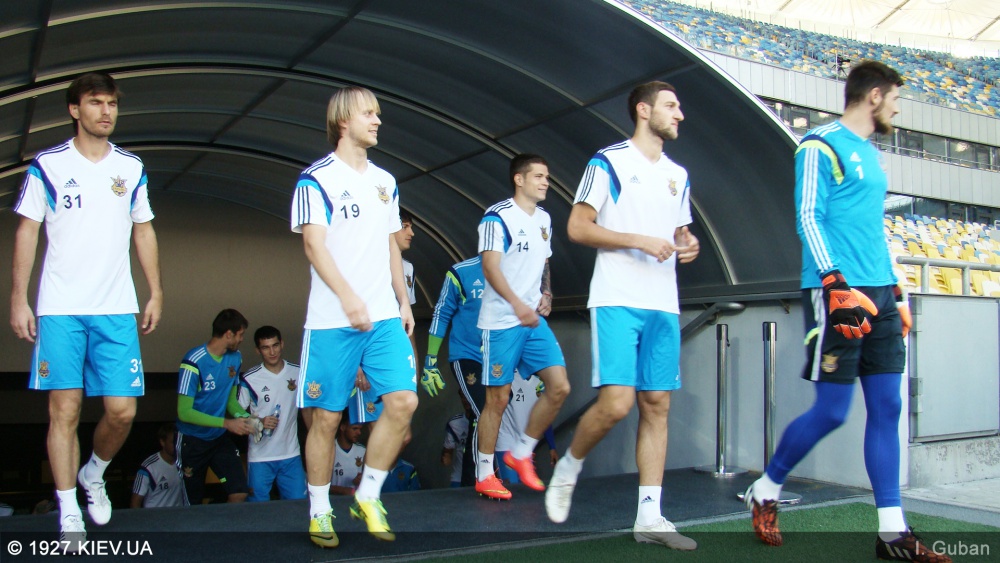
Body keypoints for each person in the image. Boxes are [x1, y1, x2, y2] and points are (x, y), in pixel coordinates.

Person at [744, 61, 944, 563]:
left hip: (880, 294)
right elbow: (807, 216)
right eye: (895, 98)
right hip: (838, 292)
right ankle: (765, 489)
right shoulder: (819, 145)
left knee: (889, 408)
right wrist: (835, 283)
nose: (898, 108)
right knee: (833, 410)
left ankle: (892, 533)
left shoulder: (872, 156)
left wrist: (898, 292)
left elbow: (874, 227)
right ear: (874, 95)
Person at [9, 72, 163, 548]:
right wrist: (18, 297)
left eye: (112, 103)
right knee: (65, 410)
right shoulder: (48, 165)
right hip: (60, 309)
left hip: (116, 308)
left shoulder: (130, 167)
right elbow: (27, 230)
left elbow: (144, 229)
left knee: (122, 412)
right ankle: (68, 510)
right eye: (96, 102)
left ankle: (93, 472)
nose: (106, 111)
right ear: (75, 110)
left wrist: (156, 291)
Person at [548, 80, 700, 552]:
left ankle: (650, 518)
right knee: (616, 404)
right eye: (671, 106)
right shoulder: (608, 161)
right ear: (643, 110)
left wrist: (688, 243)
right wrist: (638, 240)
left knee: (657, 405)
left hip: (663, 303)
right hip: (617, 298)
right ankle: (569, 465)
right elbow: (578, 227)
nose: (679, 114)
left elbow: (679, 232)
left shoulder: (678, 174)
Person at [291, 86, 417, 548]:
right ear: (343, 120)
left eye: (378, 113)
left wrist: (403, 301)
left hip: (382, 317)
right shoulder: (315, 179)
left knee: (403, 403)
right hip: (331, 321)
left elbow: (390, 244)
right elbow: (313, 245)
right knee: (325, 420)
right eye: (369, 113)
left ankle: (368, 493)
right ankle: (320, 511)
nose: (378, 120)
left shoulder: (386, 181)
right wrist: (347, 298)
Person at [474, 153, 571, 501]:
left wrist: (547, 293)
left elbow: (544, 261)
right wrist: (517, 304)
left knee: (559, 387)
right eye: (539, 176)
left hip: (532, 320)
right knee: (498, 399)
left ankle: (521, 452)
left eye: (547, 176)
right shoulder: (497, 217)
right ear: (519, 179)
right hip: (501, 322)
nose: (546, 182)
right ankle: (484, 474)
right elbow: (490, 267)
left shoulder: (544, 218)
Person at [176, 309, 256, 505]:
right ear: (229, 334)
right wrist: (227, 423)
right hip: (192, 441)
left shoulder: (235, 358)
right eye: (240, 335)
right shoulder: (193, 361)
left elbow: (230, 401)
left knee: (239, 492)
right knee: (192, 503)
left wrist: (249, 419)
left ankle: (225, 526)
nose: (242, 339)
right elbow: (184, 412)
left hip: (219, 438)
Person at [349, 210, 418, 428]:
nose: (411, 233)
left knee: (402, 430)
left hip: (396, 351)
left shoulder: (408, 268)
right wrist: (356, 363)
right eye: (405, 226)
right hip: (369, 352)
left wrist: (413, 362)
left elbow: (407, 321)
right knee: (378, 425)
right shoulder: (366, 263)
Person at [423, 255, 486, 486]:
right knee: (483, 410)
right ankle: (477, 479)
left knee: (492, 412)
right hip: (467, 355)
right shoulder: (461, 272)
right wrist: (430, 360)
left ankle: (481, 476)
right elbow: (442, 313)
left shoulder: (514, 269)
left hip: (497, 358)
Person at [238, 326, 306, 502]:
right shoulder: (250, 379)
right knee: (257, 510)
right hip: (260, 457)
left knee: (298, 506)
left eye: (275, 345)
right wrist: (259, 421)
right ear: (258, 350)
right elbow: (237, 418)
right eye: (266, 348)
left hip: (291, 454)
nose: (272, 352)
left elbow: (311, 405)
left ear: (282, 344)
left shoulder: (298, 373)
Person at [495, 373, 557, 484]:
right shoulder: (509, 377)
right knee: (511, 486)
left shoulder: (539, 384)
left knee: (525, 488)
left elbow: (544, 416)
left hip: (525, 448)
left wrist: (552, 446)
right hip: (505, 444)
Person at [130, 423, 188, 509]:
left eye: (179, 441)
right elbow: (135, 503)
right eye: (173, 442)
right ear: (162, 442)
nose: (177, 445)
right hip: (154, 516)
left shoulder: (185, 462)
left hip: (178, 515)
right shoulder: (149, 467)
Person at [331, 416, 366, 496]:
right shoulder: (329, 449)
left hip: (355, 499)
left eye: (360, 429)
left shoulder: (362, 451)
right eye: (354, 429)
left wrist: (362, 480)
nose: (359, 433)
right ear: (343, 427)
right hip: (333, 500)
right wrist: (342, 490)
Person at [441, 403, 471, 487]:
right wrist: (446, 456)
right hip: (459, 477)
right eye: (463, 397)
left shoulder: (489, 421)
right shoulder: (454, 423)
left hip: (484, 477)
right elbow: (447, 453)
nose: (465, 400)